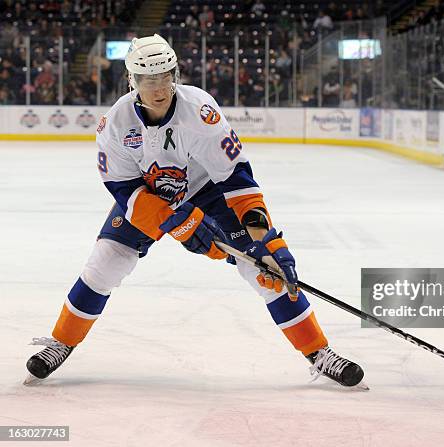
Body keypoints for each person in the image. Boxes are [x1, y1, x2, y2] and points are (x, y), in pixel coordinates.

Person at [25, 34, 365, 389]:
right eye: (148, 79)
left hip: (208, 192)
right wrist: (179, 224)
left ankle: (319, 353)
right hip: (148, 196)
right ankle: (62, 341)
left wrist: (265, 240)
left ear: (175, 73)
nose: (159, 87)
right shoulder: (115, 124)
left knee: (267, 271)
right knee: (106, 261)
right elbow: (124, 190)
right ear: (132, 81)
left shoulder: (200, 112)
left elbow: (237, 181)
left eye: (166, 76)